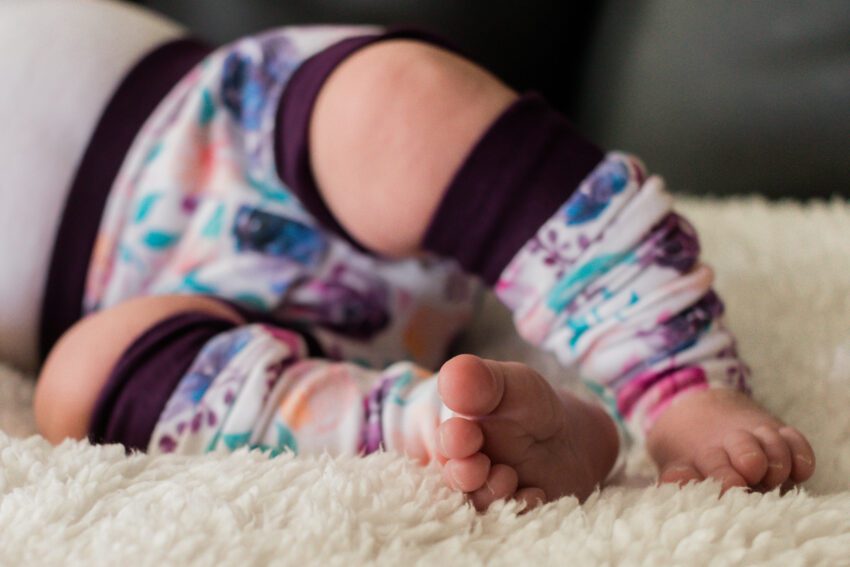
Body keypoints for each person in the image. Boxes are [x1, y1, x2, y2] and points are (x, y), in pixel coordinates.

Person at [1, 0, 814, 511]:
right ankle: (450, 427)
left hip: (235, 130)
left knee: (395, 97)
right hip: (159, 321)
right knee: (77, 389)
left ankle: (676, 381)